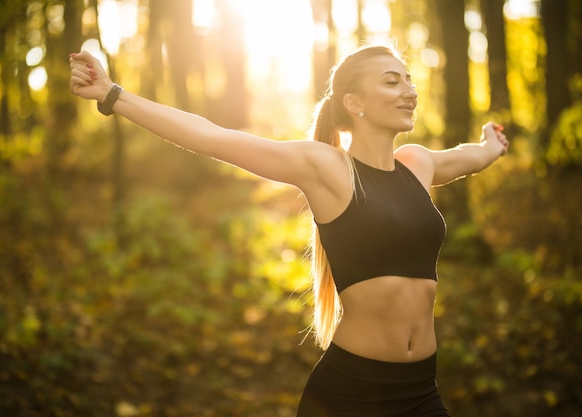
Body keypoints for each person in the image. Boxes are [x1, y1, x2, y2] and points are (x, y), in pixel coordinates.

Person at [69, 44, 508, 417]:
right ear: (354, 102)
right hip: (351, 393)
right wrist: (111, 95)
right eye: (392, 81)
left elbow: (468, 156)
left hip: (421, 391)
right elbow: (212, 137)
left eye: (409, 80)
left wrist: (491, 145)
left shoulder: (418, 164)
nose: (409, 91)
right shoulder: (327, 168)